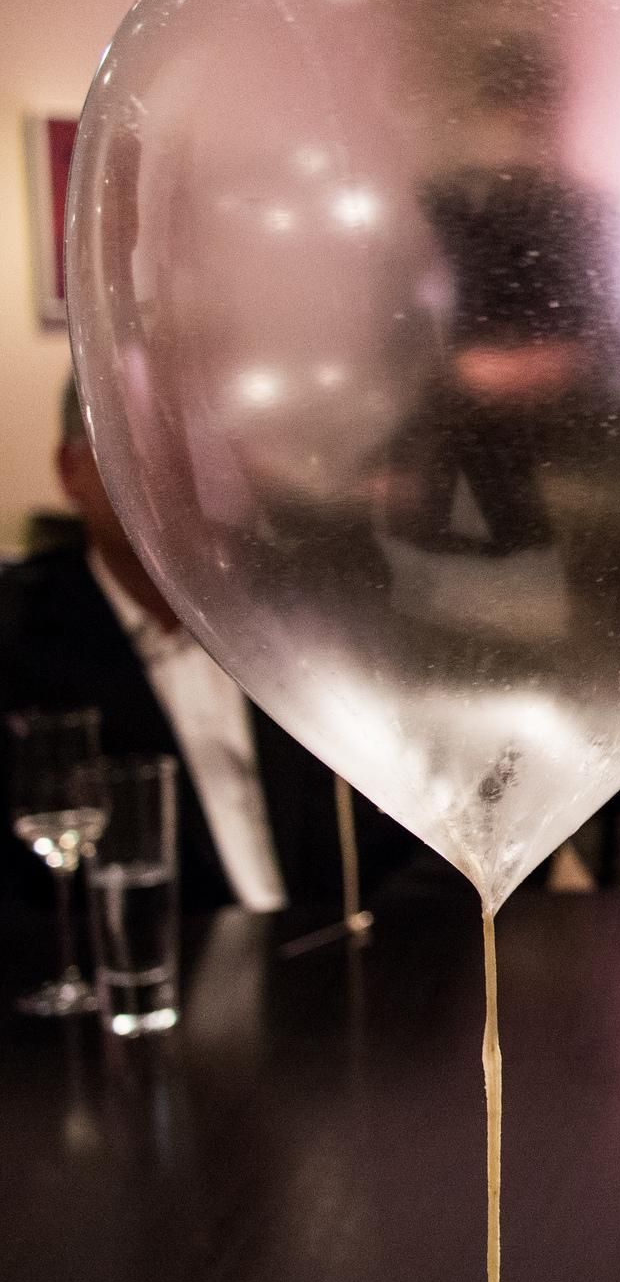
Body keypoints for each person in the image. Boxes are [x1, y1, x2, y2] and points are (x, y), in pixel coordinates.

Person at [0, 382, 421, 912]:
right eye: (139, 447)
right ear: (71, 471)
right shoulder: (24, 641)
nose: (181, 473)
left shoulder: (316, 610)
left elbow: (417, 826)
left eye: (206, 447)